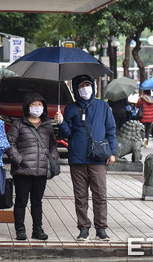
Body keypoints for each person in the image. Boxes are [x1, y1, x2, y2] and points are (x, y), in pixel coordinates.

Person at [54, 74, 116, 241]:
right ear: (76, 89)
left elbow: (111, 130)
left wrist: (112, 152)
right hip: (78, 158)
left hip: (98, 158)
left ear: (93, 87)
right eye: (81, 86)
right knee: (80, 196)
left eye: (88, 85)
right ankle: (83, 228)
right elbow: (66, 133)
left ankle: (101, 228)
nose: (85, 89)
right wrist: (61, 122)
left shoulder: (102, 106)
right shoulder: (71, 108)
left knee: (100, 195)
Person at [6, 92, 59, 241]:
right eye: (33, 105)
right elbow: (9, 143)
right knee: (21, 202)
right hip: (23, 171)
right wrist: (19, 159)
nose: (37, 107)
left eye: (40, 104)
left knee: (37, 202)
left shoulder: (47, 125)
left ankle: (37, 230)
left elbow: (53, 144)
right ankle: (20, 230)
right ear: (27, 107)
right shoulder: (18, 124)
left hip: (41, 170)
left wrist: (53, 157)